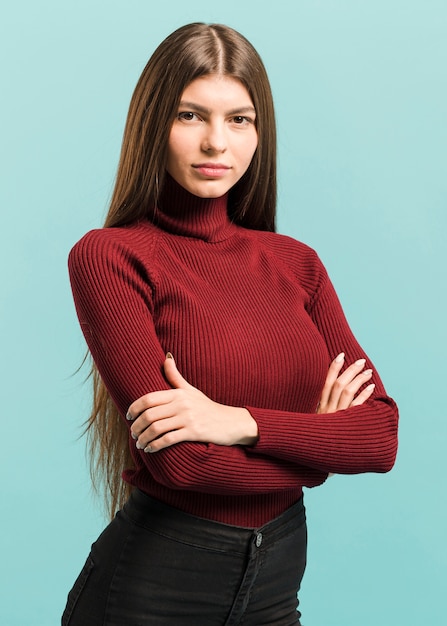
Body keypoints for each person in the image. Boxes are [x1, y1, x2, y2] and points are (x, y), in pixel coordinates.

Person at [62, 22, 399, 626]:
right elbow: (184, 465)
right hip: (155, 592)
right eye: (191, 115)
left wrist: (233, 422)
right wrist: (320, 448)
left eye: (239, 119)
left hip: (275, 586)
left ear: (259, 132)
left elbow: (379, 436)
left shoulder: (296, 263)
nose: (217, 142)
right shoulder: (111, 256)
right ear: (153, 124)